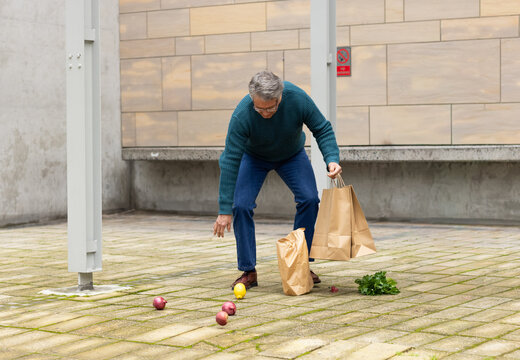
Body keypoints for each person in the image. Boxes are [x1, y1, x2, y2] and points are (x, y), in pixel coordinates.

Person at [213, 70, 342, 290]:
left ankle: (302, 265)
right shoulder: (242, 114)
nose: (265, 113)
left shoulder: (297, 98)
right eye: (260, 108)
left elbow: (322, 128)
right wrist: (224, 210)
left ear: (280, 96)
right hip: (253, 158)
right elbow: (230, 160)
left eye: (271, 107)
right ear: (252, 99)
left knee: (310, 199)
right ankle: (248, 270)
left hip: (291, 155)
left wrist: (331, 159)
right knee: (241, 205)